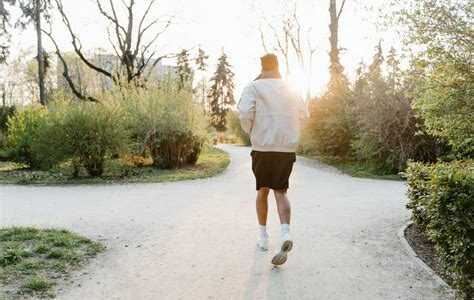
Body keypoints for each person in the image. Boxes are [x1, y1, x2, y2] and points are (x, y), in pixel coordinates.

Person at [237, 54, 309, 265]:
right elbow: (304, 116)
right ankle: (285, 232)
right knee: (281, 191)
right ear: (278, 66)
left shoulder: (254, 87)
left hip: (262, 147)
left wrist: (251, 130)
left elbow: (244, 114)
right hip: (285, 148)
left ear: (262, 66)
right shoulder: (291, 88)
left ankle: (263, 237)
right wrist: (291, 131)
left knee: (262, 190)